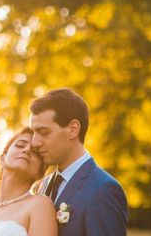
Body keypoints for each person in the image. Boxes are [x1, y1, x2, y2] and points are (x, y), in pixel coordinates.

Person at [30, 88, 128, 236]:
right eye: (33, 133)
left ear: (73, 129)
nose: (34, 142)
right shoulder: (41, 186)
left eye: (44, 132)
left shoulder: (104, 190)